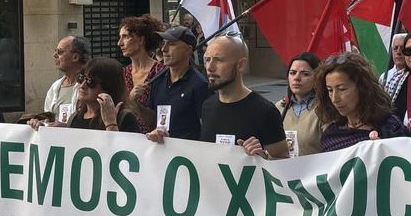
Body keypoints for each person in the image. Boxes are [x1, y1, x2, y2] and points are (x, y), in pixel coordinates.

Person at [150, 35, 288, 159]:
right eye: (207, 60)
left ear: (241, 65)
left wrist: (262, 157)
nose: (210, 67)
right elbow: (200, 150)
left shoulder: (264, 111)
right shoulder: (207, 105)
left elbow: (283, 162)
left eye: (218, 60)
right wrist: (168, 141)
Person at [316, 53, 411, 151]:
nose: (335, 99)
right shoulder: (331, 137)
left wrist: (384, 151)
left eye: (342, 89)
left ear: (362, 88)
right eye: (330, 90)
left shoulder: (390, 127)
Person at [146, 25, 211, 141]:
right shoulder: (158, 80)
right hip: (160, 152)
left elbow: (207, 130)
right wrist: (133, 103)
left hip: (186, 155)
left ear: (188, 49)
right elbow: (152, 118)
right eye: (164, 43)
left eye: (172, 44)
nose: (164, 49)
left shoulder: (200, 85)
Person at [119, 15, 167, 131]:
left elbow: (161, 119)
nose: (119, 43)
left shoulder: (161, 72)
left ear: (141, 40)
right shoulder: (122, 73)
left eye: (126, 37)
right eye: (120, 37)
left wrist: (134, 104)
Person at [276, 52, 323, 156]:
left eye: (305, 74)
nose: (297, 78)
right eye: (292, 73)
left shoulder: (324, 110)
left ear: (317, 77)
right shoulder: (279, 107)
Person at [45, 35, 89, 115]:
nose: (54, 55)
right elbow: (48, 118)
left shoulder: (90, 86)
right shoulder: (55, 87)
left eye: (60, 52)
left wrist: (66, 126)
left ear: (75, 57)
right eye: (56, 51)